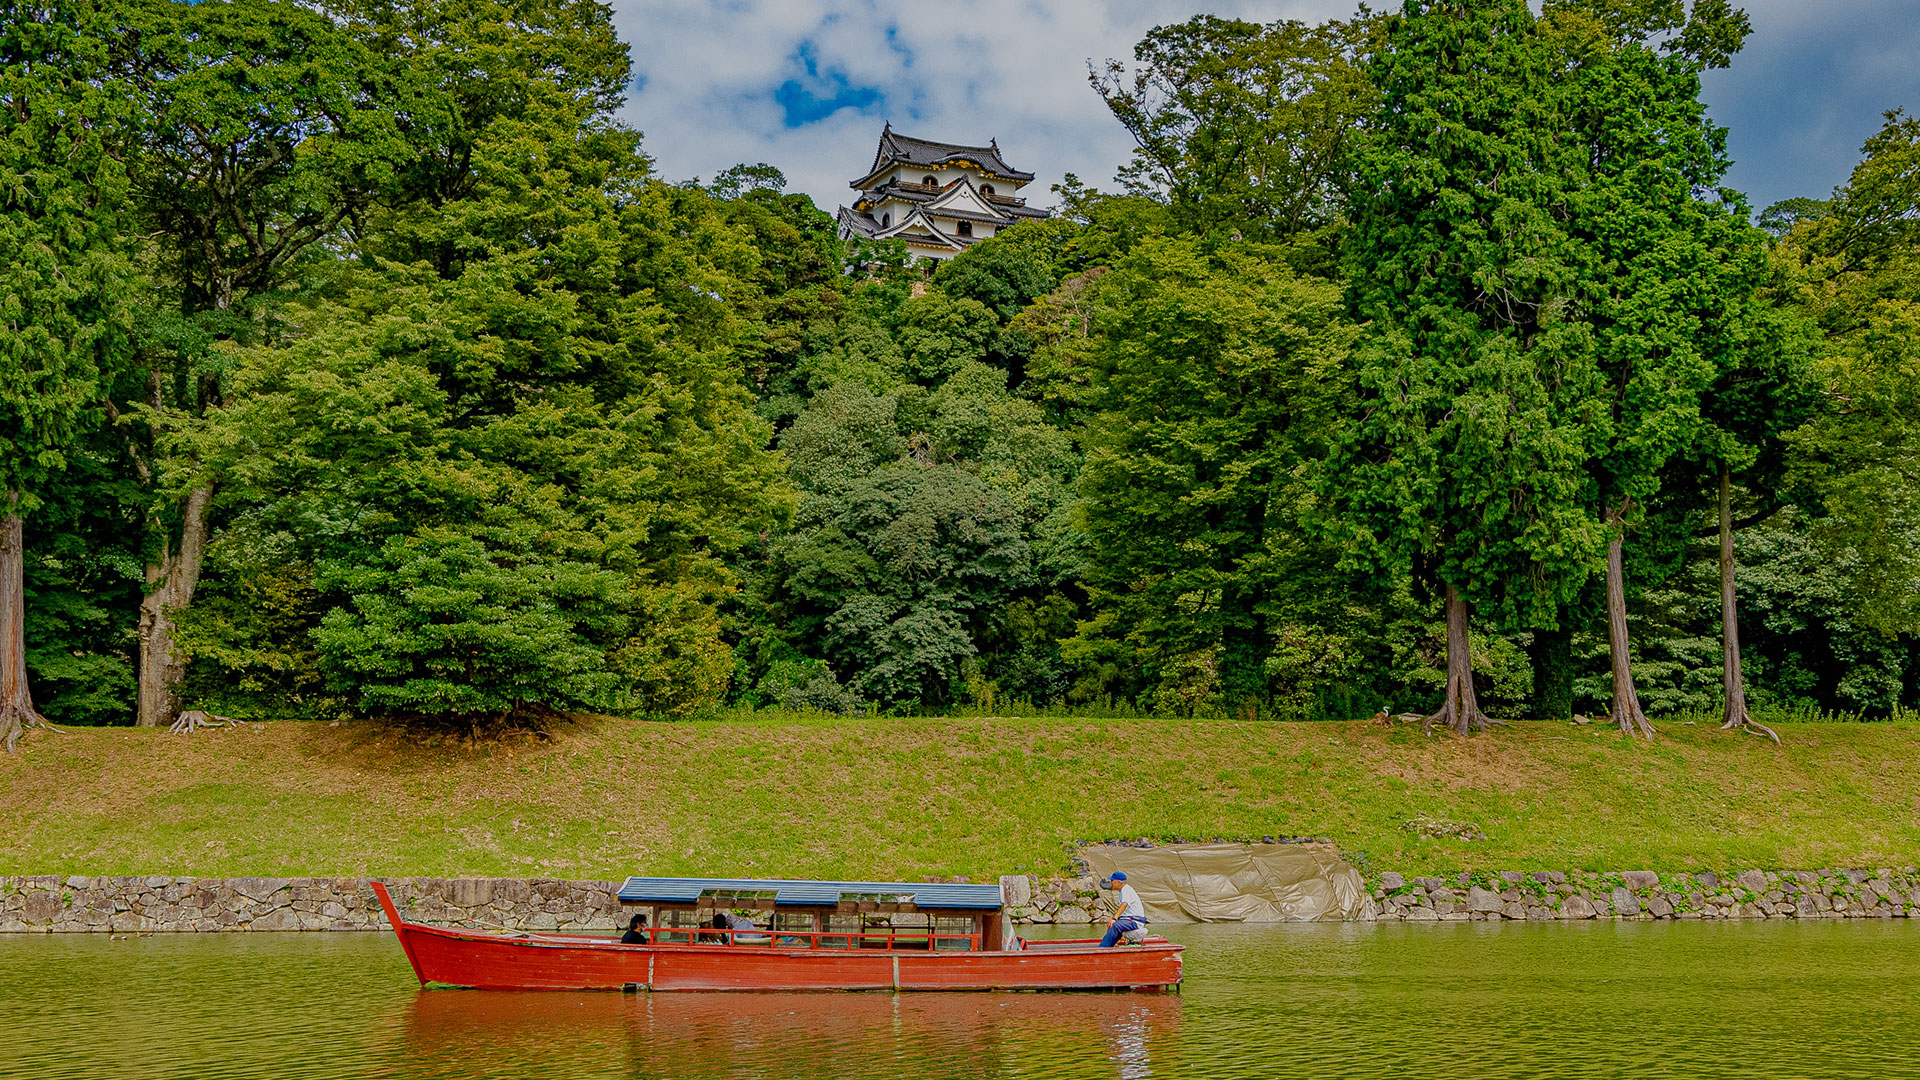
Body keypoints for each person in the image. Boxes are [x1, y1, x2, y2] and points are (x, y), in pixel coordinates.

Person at [1098, 872, 1149, 947]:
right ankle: (1109, 945)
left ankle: (1103, 949)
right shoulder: (1124, 890)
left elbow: (1124, 904)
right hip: (1128, 920)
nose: (1111, 883)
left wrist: (1114, 918)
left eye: (1112, 880)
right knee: (1113, 924)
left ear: (1118, 882)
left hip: (1134, 921)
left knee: (1114, 925)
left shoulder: (1126, 889)